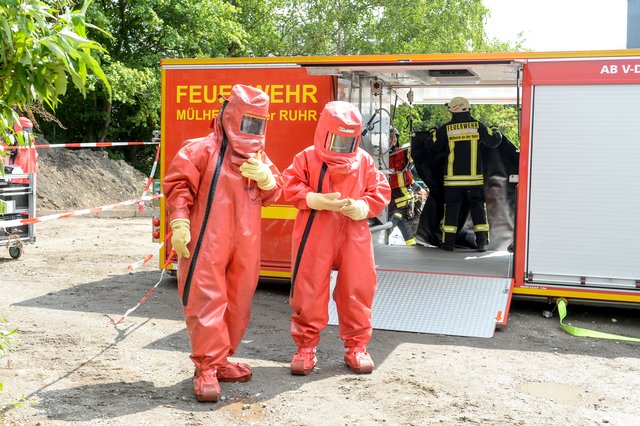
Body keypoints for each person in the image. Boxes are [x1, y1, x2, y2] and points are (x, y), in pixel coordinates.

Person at [163, 84, 282, 402]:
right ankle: (206, 367)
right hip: (207, 241)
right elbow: (179, 187)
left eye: (258, 123)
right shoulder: (201, 150)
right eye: (248, 121)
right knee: (206, 301)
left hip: (245, 245)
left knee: (238, 302)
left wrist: (267, 179)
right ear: (231, 115)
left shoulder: (259, 158)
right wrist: (179, 222)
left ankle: (221, 359)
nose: (252, 130)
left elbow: (275, 192)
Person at [281, 101, 391, 376]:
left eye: (347, 141)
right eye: (337, 139)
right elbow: (289, 185)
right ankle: (305, 348)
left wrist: (364, 206)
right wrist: (313, 199)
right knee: (308, 288)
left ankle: (357, 347)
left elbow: (379, 189)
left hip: (353, 233)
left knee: (358, 287)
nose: (341, 147)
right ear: (324, 132)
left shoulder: (363, 160)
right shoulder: (307, 157)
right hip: (315, 230)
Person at [431, 97, 502, 252]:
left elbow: (432, 146)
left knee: (451, 211)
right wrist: (495, 130)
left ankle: (448, 243)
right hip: (474, 181)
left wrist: (432, 132)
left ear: (453, 110)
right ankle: (482, 242)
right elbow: (494, 141)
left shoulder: (446, 129)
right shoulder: (478, 126)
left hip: (452, 181)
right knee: (478, 210)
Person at [387, 126, 428, 246]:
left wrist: (417, 140)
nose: (393, 140)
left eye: (395, 137)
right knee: (386, 230)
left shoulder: (401, 153)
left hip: (403, 202)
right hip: (391, 203)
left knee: (411, 232)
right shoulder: (378, 157)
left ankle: (414, 247)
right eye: (390, 137)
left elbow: (408, 177)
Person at [4, 117, 38, 185]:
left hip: (15, 179)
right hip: (29, 179)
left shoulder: (11, 141)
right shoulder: (31, 143)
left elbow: (5, 158)